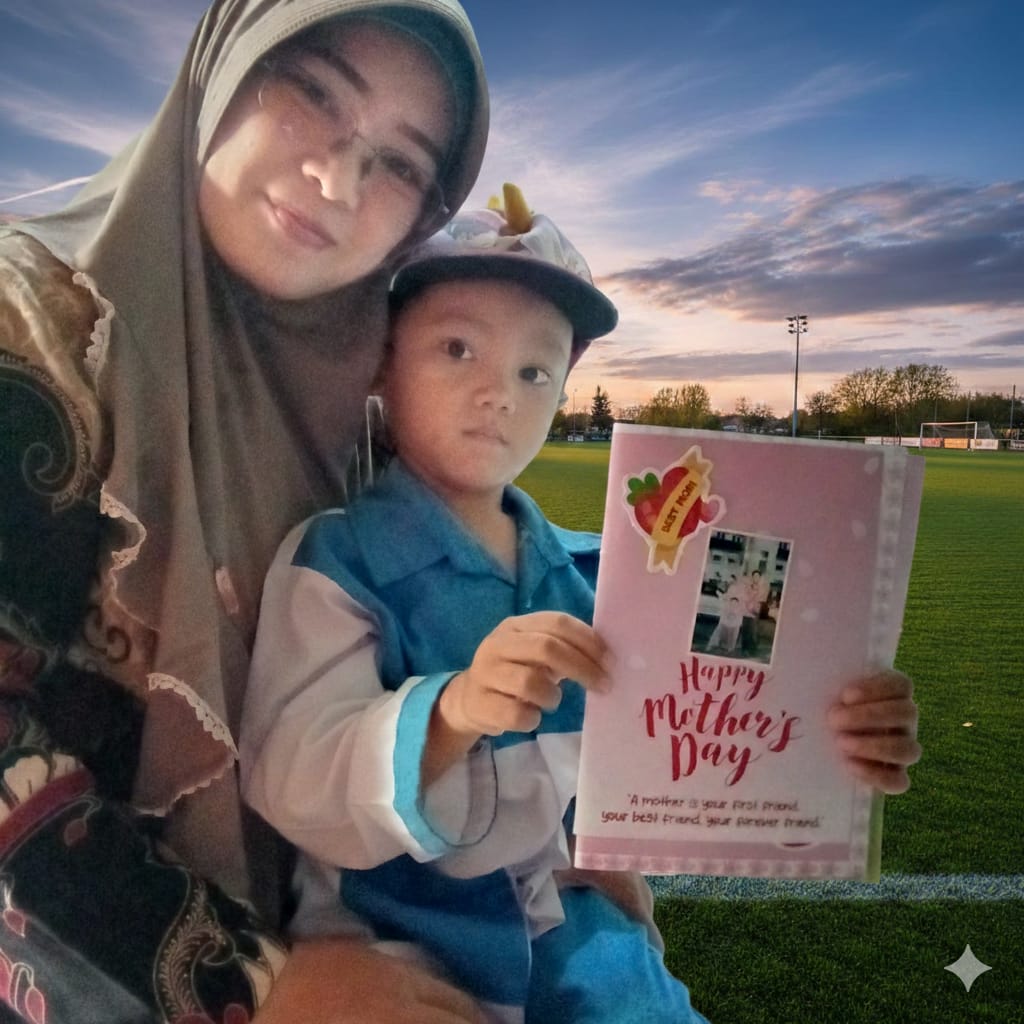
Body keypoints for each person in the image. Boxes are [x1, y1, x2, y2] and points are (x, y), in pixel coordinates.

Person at [240, 187, 922, 1022]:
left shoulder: (603, 574)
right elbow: (289, 771)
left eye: (536, 369)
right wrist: (449, 712)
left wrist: (831, 732)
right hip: (396, 954)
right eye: (458, 348)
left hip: (576, 932)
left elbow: (708, 730)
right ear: (384, 358)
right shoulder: (338, 560)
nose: (500, 392)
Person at [0, 1, 496, 1020]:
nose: (338, 179)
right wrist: (260, 981)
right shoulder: (31, 335)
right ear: (220, 70)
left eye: (401, 164)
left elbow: (444, 679)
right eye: (313, 92)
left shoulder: (369, 424)